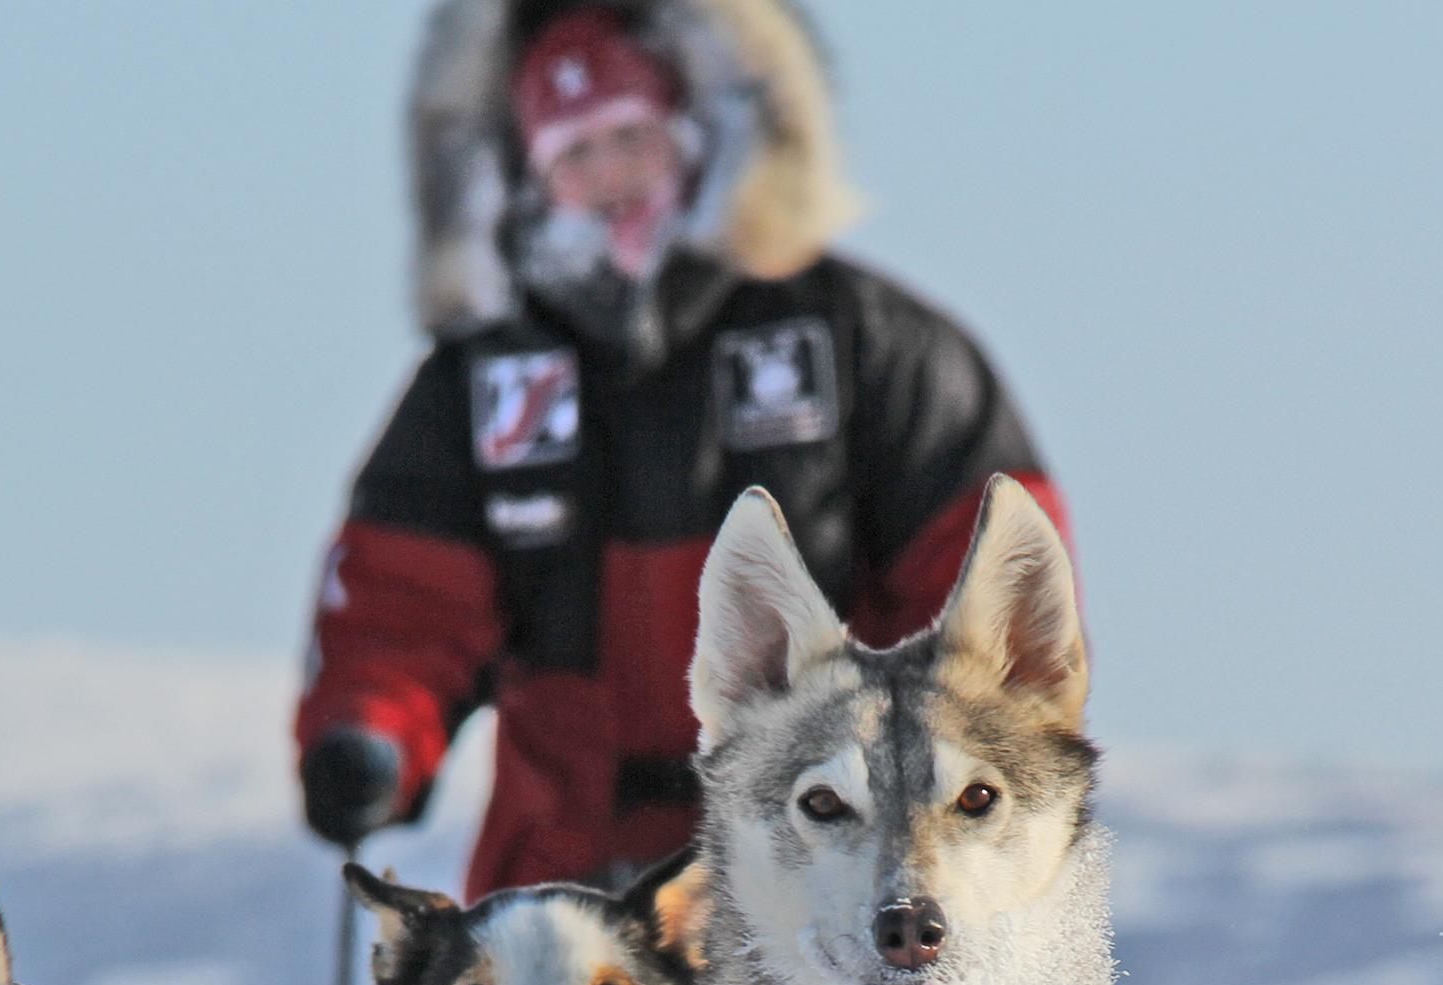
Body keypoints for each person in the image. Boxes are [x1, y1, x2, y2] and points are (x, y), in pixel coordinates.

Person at [294, 0, 1069, 895]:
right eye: (576, 155)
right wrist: (369, 738)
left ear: (696, 135)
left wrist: (975, 760)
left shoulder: (863, 343)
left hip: (832, 879)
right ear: (526, 179)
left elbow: (985, 577)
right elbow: (404, 607)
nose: (612, 176)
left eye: (630, 138)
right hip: (570, 882)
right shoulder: (480, 386)